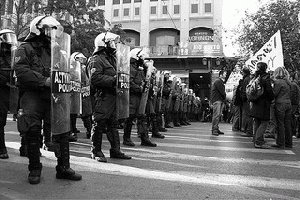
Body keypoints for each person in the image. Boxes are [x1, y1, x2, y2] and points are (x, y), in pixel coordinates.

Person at [14, 15, 82, 184]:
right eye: (48, 29)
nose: (52, 33)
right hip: (33, 94)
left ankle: (64, 168)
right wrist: (43, 80)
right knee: (33, 130)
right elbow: (21, 72)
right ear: (38, 29)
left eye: (53, 30)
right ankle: (35, 168)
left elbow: (64, 69)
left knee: (62, 131)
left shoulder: (57, 49)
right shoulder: (25, 48)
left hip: (55, 95)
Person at [88, 31, 131, 162]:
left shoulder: (113, 60)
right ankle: (96, 151)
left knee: (113, 124)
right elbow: (94, 78)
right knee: (99, 123)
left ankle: (115, 150)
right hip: (102, 96)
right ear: (103, 44)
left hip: (114, 97)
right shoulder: (96, 60)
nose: (114, 45)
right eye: (112, 42)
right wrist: (113, 80)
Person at [122, 48, 157, 147]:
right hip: (133, 96)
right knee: (130, 118)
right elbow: (128, 81)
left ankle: (144, 138)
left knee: (142, 117)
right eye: (142, 56)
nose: (143, 58)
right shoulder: (131, 67)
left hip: (140, 96)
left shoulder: (139, 67)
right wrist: (139, 88)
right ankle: (126, 138)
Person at [0, 29, 18, 159]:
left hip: (8, 89)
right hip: (2, 87)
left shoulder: (13, 53)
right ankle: (1, 148)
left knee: (2, 119)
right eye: (7, 37)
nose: (9, 40)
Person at [249, 62, 274, 148]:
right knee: (264, 122)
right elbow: (268, 90)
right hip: (264, 103)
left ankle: (255, 139)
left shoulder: (255, 77)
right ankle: (258, 141)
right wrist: (272, 98)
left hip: (255, 102)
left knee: (257, 121)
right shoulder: (266, 78)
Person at [272, 67, 293, 148]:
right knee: (287, 124)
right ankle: (289, 143)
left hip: (280, 104)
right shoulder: (288, 82)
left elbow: (274, 93)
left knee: (280, 124)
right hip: (288, 104)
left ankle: (280, 142)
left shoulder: (278, 82)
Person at [211, 70, 227, 136]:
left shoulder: (219, 82)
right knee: (216, 115)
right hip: (217, 100)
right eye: (224, 74)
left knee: (218, 115)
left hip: (219, 100)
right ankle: (214, 129)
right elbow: (222, 91)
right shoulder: (218, 82)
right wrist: (225, 97)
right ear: (220, 75)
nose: (225, 75)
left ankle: (216, 128)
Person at [240, 66, 253, 137]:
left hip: (247, 99)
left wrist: (244, 97)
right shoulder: (249, 78)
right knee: (248, 114)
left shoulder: (246, 79)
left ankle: (248, 130)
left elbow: (245, 90)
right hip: (248, 99)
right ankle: (247, 129)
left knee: (247, 114)